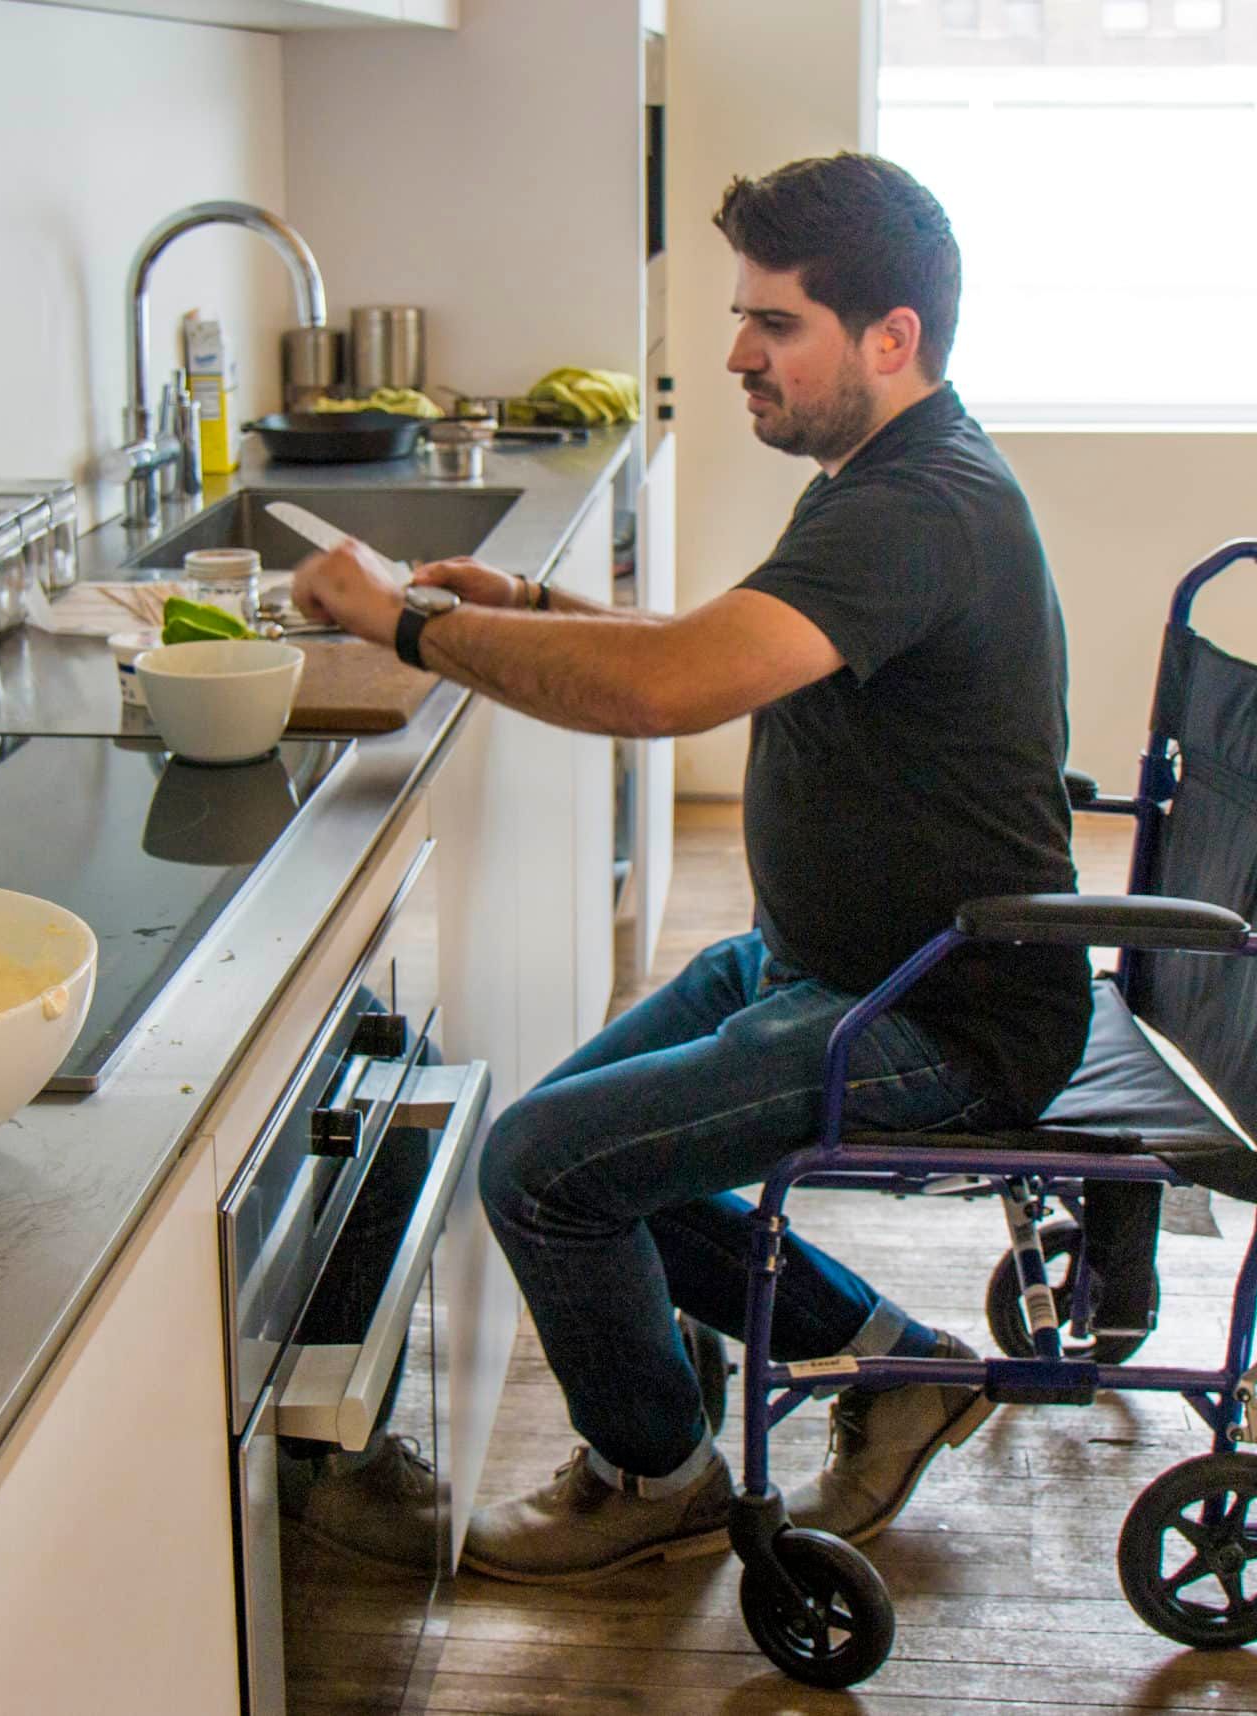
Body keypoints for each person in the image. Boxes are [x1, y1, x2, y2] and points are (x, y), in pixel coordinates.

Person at [288, 151, 1103, 1585]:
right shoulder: (888, 477)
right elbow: (715, 648)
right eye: (743, 318)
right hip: (826, 967)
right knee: (571, 1147)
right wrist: (531, 602)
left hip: (937, 1013)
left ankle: (651, 1477)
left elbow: (667, 689)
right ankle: (894, 1367)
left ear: (892, 337)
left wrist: (402, 628)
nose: (736, 355)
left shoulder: (918, 507)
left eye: (775, 323)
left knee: (546, 1171)